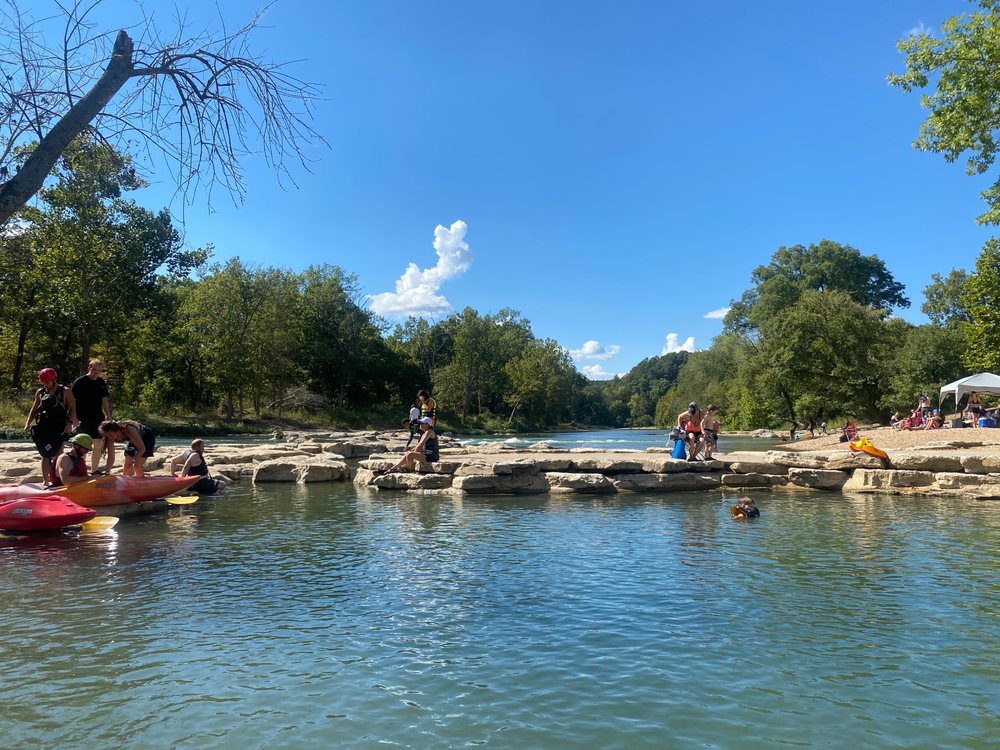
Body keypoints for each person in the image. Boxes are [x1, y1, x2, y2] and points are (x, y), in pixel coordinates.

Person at [23, 367, 78, 484]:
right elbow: (34, 409)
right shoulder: (40, 392)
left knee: (58, 452)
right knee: (45, 453)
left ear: (54, 380)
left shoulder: (65, 391)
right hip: (44, 425)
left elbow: (73, 407)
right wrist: (28, 423)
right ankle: (45, 480)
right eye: (43, 382)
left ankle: (56, 478)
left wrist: (70, 423)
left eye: (47, 382)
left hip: (60, 425)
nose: (45, 385)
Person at [72, 359, 112, 473]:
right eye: (94, 369)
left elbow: (104, 399)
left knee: (98, 444)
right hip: (82, 418)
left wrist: (108, 415)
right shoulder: (80, 381)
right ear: (89, 368)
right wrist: (73, 417)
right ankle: (81, 470)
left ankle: (94, 470)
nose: (96, 372)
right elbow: (71, 401)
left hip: (98, 417)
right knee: (82, 444)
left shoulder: (100, 382)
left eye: (99, 370)